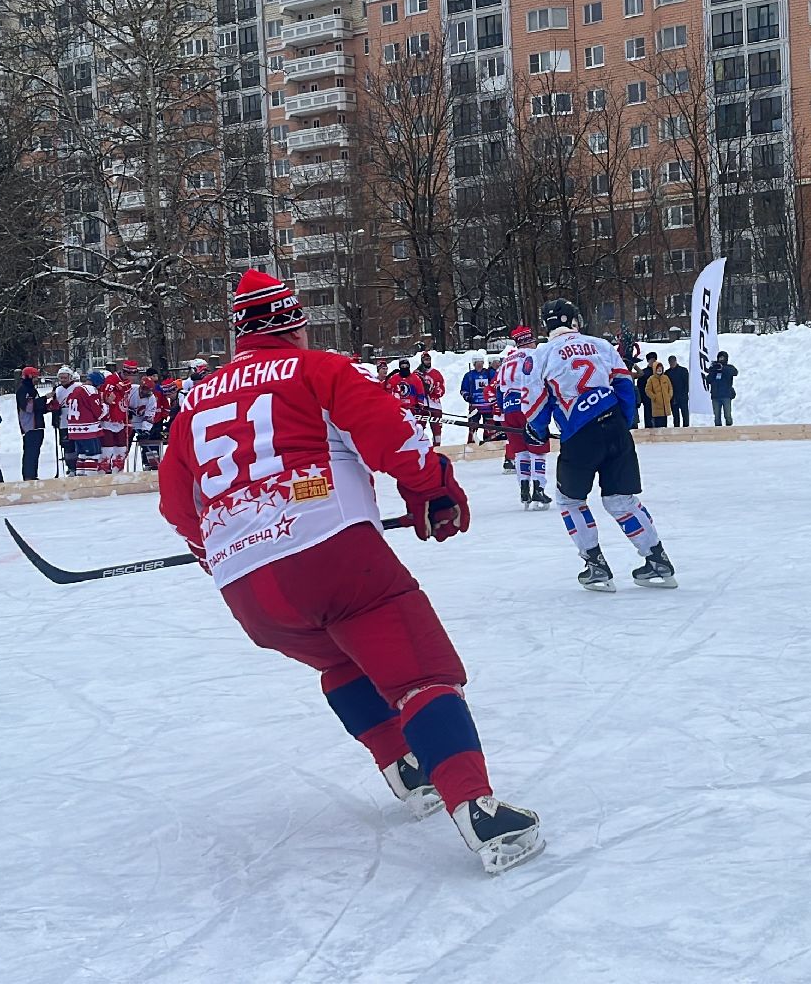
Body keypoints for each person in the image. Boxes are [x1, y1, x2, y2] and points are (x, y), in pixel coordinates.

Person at [157, 269, 541, 874]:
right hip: (329, 552)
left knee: (342, 661)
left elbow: (179, 507)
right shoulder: (318, 370)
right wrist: (433, 488)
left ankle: (408, 773)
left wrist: (223, 554)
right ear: (294, 324)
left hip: (245, 587)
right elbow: (393, 437)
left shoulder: (195, 402)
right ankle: (477, 808)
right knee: (421, 671)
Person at [525, 299, 674, 592]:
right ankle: (657, 559)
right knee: (621, 500)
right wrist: (622, 421)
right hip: (616, 428)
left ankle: (595, 565)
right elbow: (624, 386)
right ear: (574, 321)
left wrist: (536, 430)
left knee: (570, 500)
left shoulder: (542, 355)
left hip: (580, 436)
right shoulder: (601, 345)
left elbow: (537, 402)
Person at [497, 326, 552, 509]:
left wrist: (504, 411)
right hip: (526, 405)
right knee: (538, 448)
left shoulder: (507, 359)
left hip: (508, 407)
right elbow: (537, 380)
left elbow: (498, 388)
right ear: (529, 340)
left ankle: (524, 489)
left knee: (521, 451)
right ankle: (539, 488)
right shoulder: (533, 356)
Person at [64, 370, 106, 475]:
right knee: (93, 455)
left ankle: (81, 479)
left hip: (74, 429)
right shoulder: (91, 390)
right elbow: (98, 412)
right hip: (88, 429)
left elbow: (67, 401)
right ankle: (89, 482)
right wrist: (106, 406)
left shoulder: (76, 390)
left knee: (82, 455)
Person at [15, 366, 49, 480]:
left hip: (38, 425)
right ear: (29, 377)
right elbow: (29, 407)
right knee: (30, 452)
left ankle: (33, 475)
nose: (37, 379)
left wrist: (48, 407)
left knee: (35, 452)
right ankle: (29, 476)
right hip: (30, 426)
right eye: (35, 377)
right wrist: (44, 398)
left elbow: (37, 408)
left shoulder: (33, 390)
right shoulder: (23, 390)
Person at [99, 367, 132, 474]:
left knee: (121, 449)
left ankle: (118, 472)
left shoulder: (124, 384)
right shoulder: (103, 388)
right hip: (107, 421)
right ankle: (102, 472)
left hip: (120, 420)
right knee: (107, 449)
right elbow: (105, 400)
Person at [459, 356, 495, 445]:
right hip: (474, 407)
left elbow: (495, 380)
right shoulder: (469, 375)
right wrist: (467, 396)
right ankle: (471, 444)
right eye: (477, 364)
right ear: (474, 364)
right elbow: (463, 389)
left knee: (489, 427)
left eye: (481, 364)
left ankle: (488, 443)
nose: (479, 366)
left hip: (488, 406)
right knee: (472, 427)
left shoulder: (488, 373)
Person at [415, 352, 446, 446]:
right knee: (418, 428)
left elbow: (442, 390)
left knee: (437, 430)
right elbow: (413, 388)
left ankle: (437, 447)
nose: (427, 362)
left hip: (435, 405)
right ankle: (418, 448)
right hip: (422, 405)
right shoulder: (416, 373)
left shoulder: (436, 373)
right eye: (425, 360)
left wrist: (432, 389)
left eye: (429, 359)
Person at [51, 365, 77, 475]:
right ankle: (70, 466)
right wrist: (55, 416)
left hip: (76, 420)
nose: (62, 380)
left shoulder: (77, 387)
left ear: (70, 377)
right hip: (63, 422)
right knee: (67, 445)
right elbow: (54, 406)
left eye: (65, 377)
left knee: (77, 444)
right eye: (60, 378)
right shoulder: (58, 390)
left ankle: (79, 466)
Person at [705, 351, 738, 426]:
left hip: (726, 395)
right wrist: (713, 370)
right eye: (720, 357)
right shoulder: (714, 368)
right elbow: (708, 380)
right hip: (715, 396)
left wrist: (723, 368)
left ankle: (729, 431)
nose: (721, 359)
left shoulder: (729, 367)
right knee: (717, 417)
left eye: (723, 358)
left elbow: (735, 372)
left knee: (728, 415)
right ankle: (718, 433)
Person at [642, 353, 673, 429]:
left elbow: (670, 388)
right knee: (655, 424)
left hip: (664, 404)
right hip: (654, 404)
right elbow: (646, 389)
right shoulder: (650, 378)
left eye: (660, 368)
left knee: (664, 424)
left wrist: (669, 396)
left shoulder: (665, 377)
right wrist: (654, 397)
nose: (659, 370)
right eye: (658, 368)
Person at [666, 355, 691, 427]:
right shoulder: (667, 373)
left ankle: (686, 429)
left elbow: (687, 384)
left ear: (676, 361)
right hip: (673, 398)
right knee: (676, 417)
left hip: (683, 396)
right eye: (670, 363)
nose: (672, 364)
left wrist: (685, 393)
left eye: (673, 362)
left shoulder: (683, 370)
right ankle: (676, 430)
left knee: (685, 414)